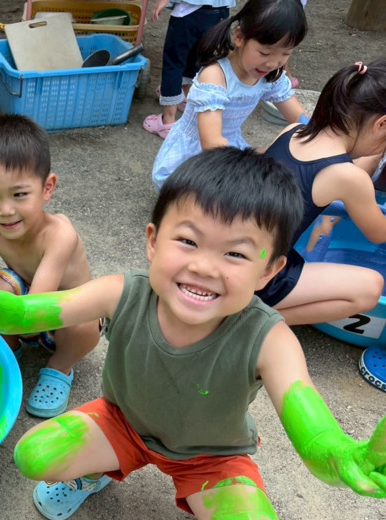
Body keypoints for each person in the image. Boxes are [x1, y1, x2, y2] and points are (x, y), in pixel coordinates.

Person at [0, 147, 386, 520]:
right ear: (152, 240)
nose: (204, 266)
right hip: (122, 423)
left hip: (211, 458)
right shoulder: (121, 291)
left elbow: (307, 415)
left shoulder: (271, 338)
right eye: (188, 240)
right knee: (34, 456)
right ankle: (97, 469)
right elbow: (30, 313)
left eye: (237, 255)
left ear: (271, 270)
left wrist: (339, 453)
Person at [0, 114, 102, 418]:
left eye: (19, 194)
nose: (6, 210)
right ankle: (7, 353)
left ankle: (60, 367)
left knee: (84, 319)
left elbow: (35, 307)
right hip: (25, 309)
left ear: (47, 188)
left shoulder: (59, 235)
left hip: (58, 315)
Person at [259, 60, 386, 330]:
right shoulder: (346, 176)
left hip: (242, 256)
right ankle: (251, 323)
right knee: (371, 288)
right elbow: (379, 233)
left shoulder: (291, 132)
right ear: (381, 124)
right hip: (259, 278)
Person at [151, 0, 308, 188]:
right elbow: (211, 144)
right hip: (194, 160)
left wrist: (315, 136)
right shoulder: (215, 77)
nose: (273, 64)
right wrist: (256, 160)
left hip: (229, 149)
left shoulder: (270, 77)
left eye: (285, 54)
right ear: (240, 37)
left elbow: (300, 119)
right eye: (265, 53)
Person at [142, 0, 236, 139]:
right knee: (198, 55)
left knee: (174, 62)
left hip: (190, 10)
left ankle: (168, 121)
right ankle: (184, 96)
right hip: (220, 11)